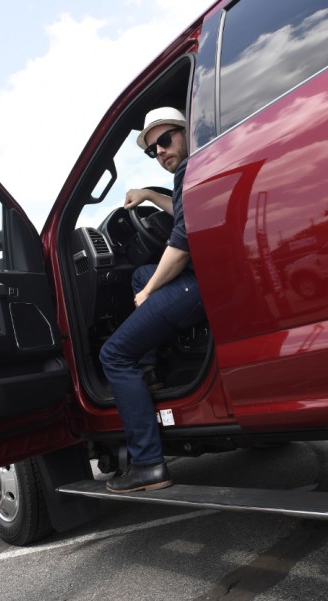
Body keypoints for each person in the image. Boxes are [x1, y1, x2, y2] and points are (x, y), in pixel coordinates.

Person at [99, 107, 204, 493]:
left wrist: (146, 294)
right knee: (142, 272)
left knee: (113, 355)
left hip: (199, 285)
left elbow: (179, 247)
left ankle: (147, 465)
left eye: (166, 139)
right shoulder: (192, 172)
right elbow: (183, 212)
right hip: (203, 281)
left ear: (187, 132)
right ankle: (149, 370)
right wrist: (147, 194)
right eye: (152, 148)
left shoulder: (189, 170)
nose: (160, 150)